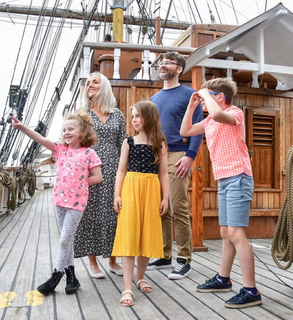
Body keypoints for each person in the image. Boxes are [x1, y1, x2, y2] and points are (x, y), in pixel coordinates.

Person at [180, 77, 262, 309]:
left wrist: (205, 94)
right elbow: (184, 130)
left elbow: (217, 114)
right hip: (224, 179)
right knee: (226, 232)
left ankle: (251, 290)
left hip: (239, 176)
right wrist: (192, 105)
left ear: (220, 97)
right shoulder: (209, 121)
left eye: (209, 96)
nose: (204, 100)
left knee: (236, 233)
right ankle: (223, 279)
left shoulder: (235, 113)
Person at [10, 112, 102, 295]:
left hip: (77, 203)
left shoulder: (89, 153)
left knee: (64, 239)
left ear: (83, 132)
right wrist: (22, 127)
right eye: (64, 129)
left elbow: (98, 177)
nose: (66, 132)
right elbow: (40, 138)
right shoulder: (60, 150)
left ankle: (56, 276)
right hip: (59, 201)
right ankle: (72, 278)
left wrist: (79, 183)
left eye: (71, 129)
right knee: (66, 240)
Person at [148, 52, 203, 280]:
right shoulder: (154, 99)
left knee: (178, 206)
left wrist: (190, 156)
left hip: (179, 153)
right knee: (162, 208)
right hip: (156, 155)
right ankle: (164, 254)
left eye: (168, 63)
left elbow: (199, 127)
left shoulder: (190, 95)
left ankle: (184, 259)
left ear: (179, 68)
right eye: (162, 62)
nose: (163, 65)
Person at [111, 101, 169, 307]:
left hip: (152, 190)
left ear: (149, 117)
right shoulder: (128, 142)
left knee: (147, 235)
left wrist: (165, 197)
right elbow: (121, 170)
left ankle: (140, 276)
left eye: (138, 116)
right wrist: (117, 195)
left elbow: (163, 172)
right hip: (131, 189)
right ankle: (127, 287)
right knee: (129, 235)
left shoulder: (160, 142)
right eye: (133, 116)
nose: (134, 120)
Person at [73, 72, 126, 278]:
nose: (90, 86)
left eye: (95, 82)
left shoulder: (117, 114)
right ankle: (93, 263)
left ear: (104, 86)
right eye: (87, 83)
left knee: (114, 213)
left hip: (115, 168)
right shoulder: (82, 113)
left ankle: (113, 260)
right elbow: (77, 142)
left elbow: (123, 142)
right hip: (92, 168)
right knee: (91, 213)